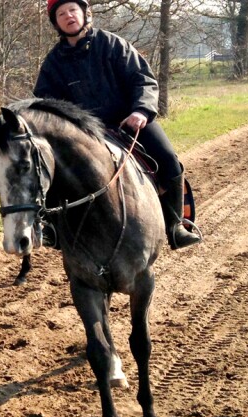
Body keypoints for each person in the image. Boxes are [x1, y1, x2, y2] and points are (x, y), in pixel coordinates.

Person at [34, 0, 201, 250]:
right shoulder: (53, 63)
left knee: (168, 160)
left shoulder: (113, 44)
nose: (68, 16)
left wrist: (141, 110)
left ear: (84, 13)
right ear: (55, 22)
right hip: (85, 135)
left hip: (129, 124)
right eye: (61, 13)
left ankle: (176, 225)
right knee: (47, 170)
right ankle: (53, 228)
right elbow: (45, 105)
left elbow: (142, 79)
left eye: (72, 10)